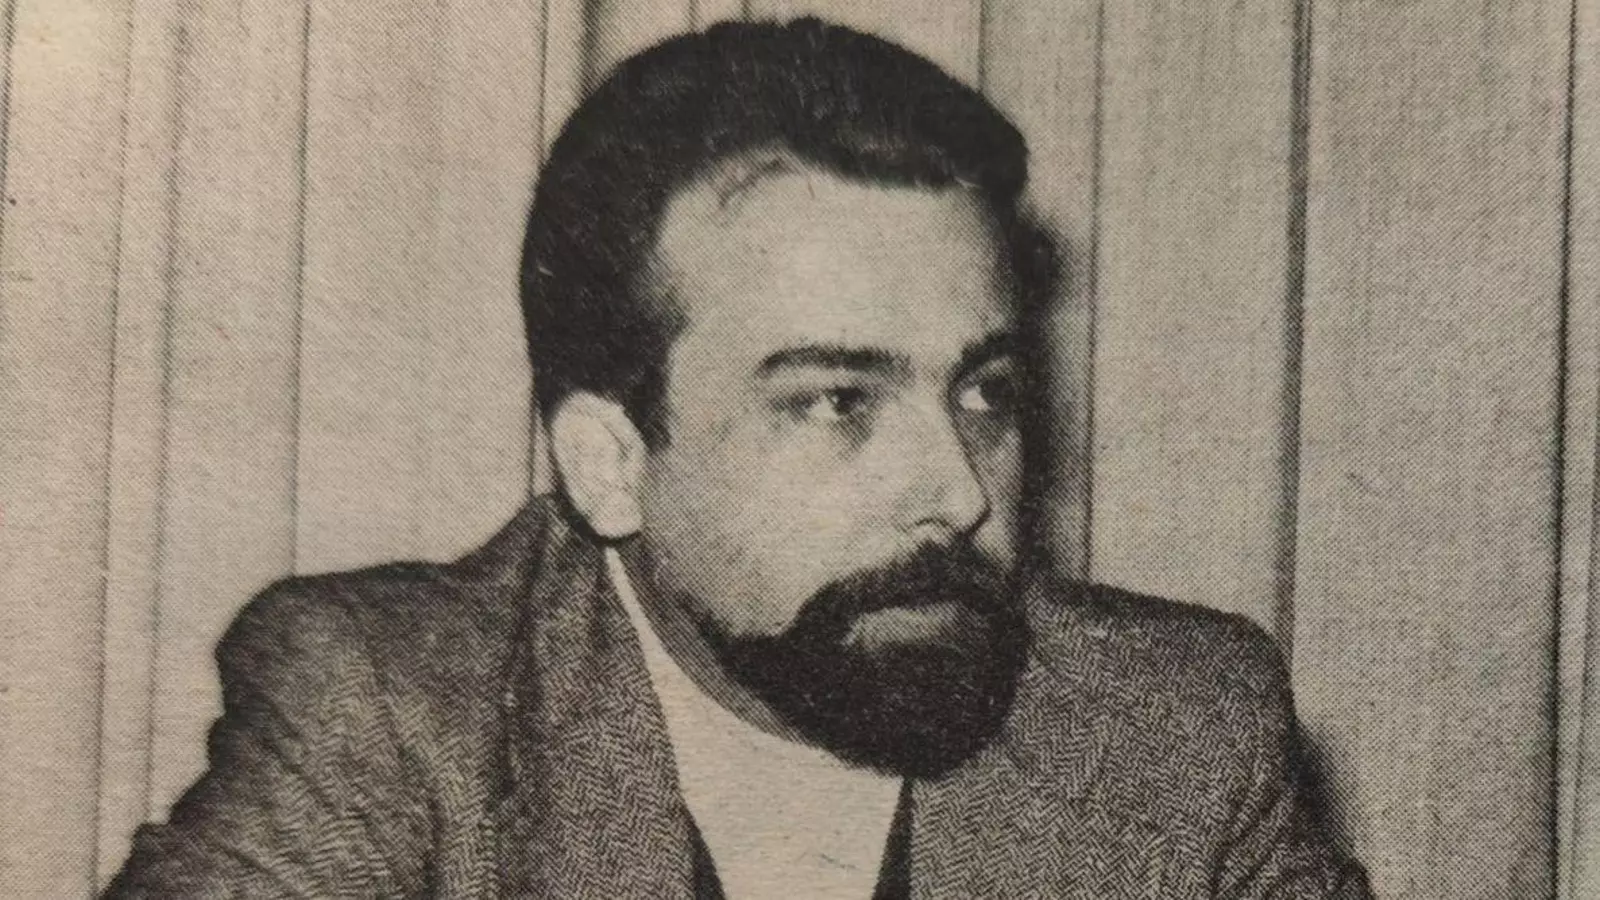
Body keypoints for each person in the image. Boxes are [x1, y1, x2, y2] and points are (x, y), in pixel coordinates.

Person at [106, 17, 1369, 899]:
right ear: (609, 463)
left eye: (984, 390)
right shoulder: (392, 712)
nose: (958, 490)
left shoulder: (1173, 730)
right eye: (836, 402)